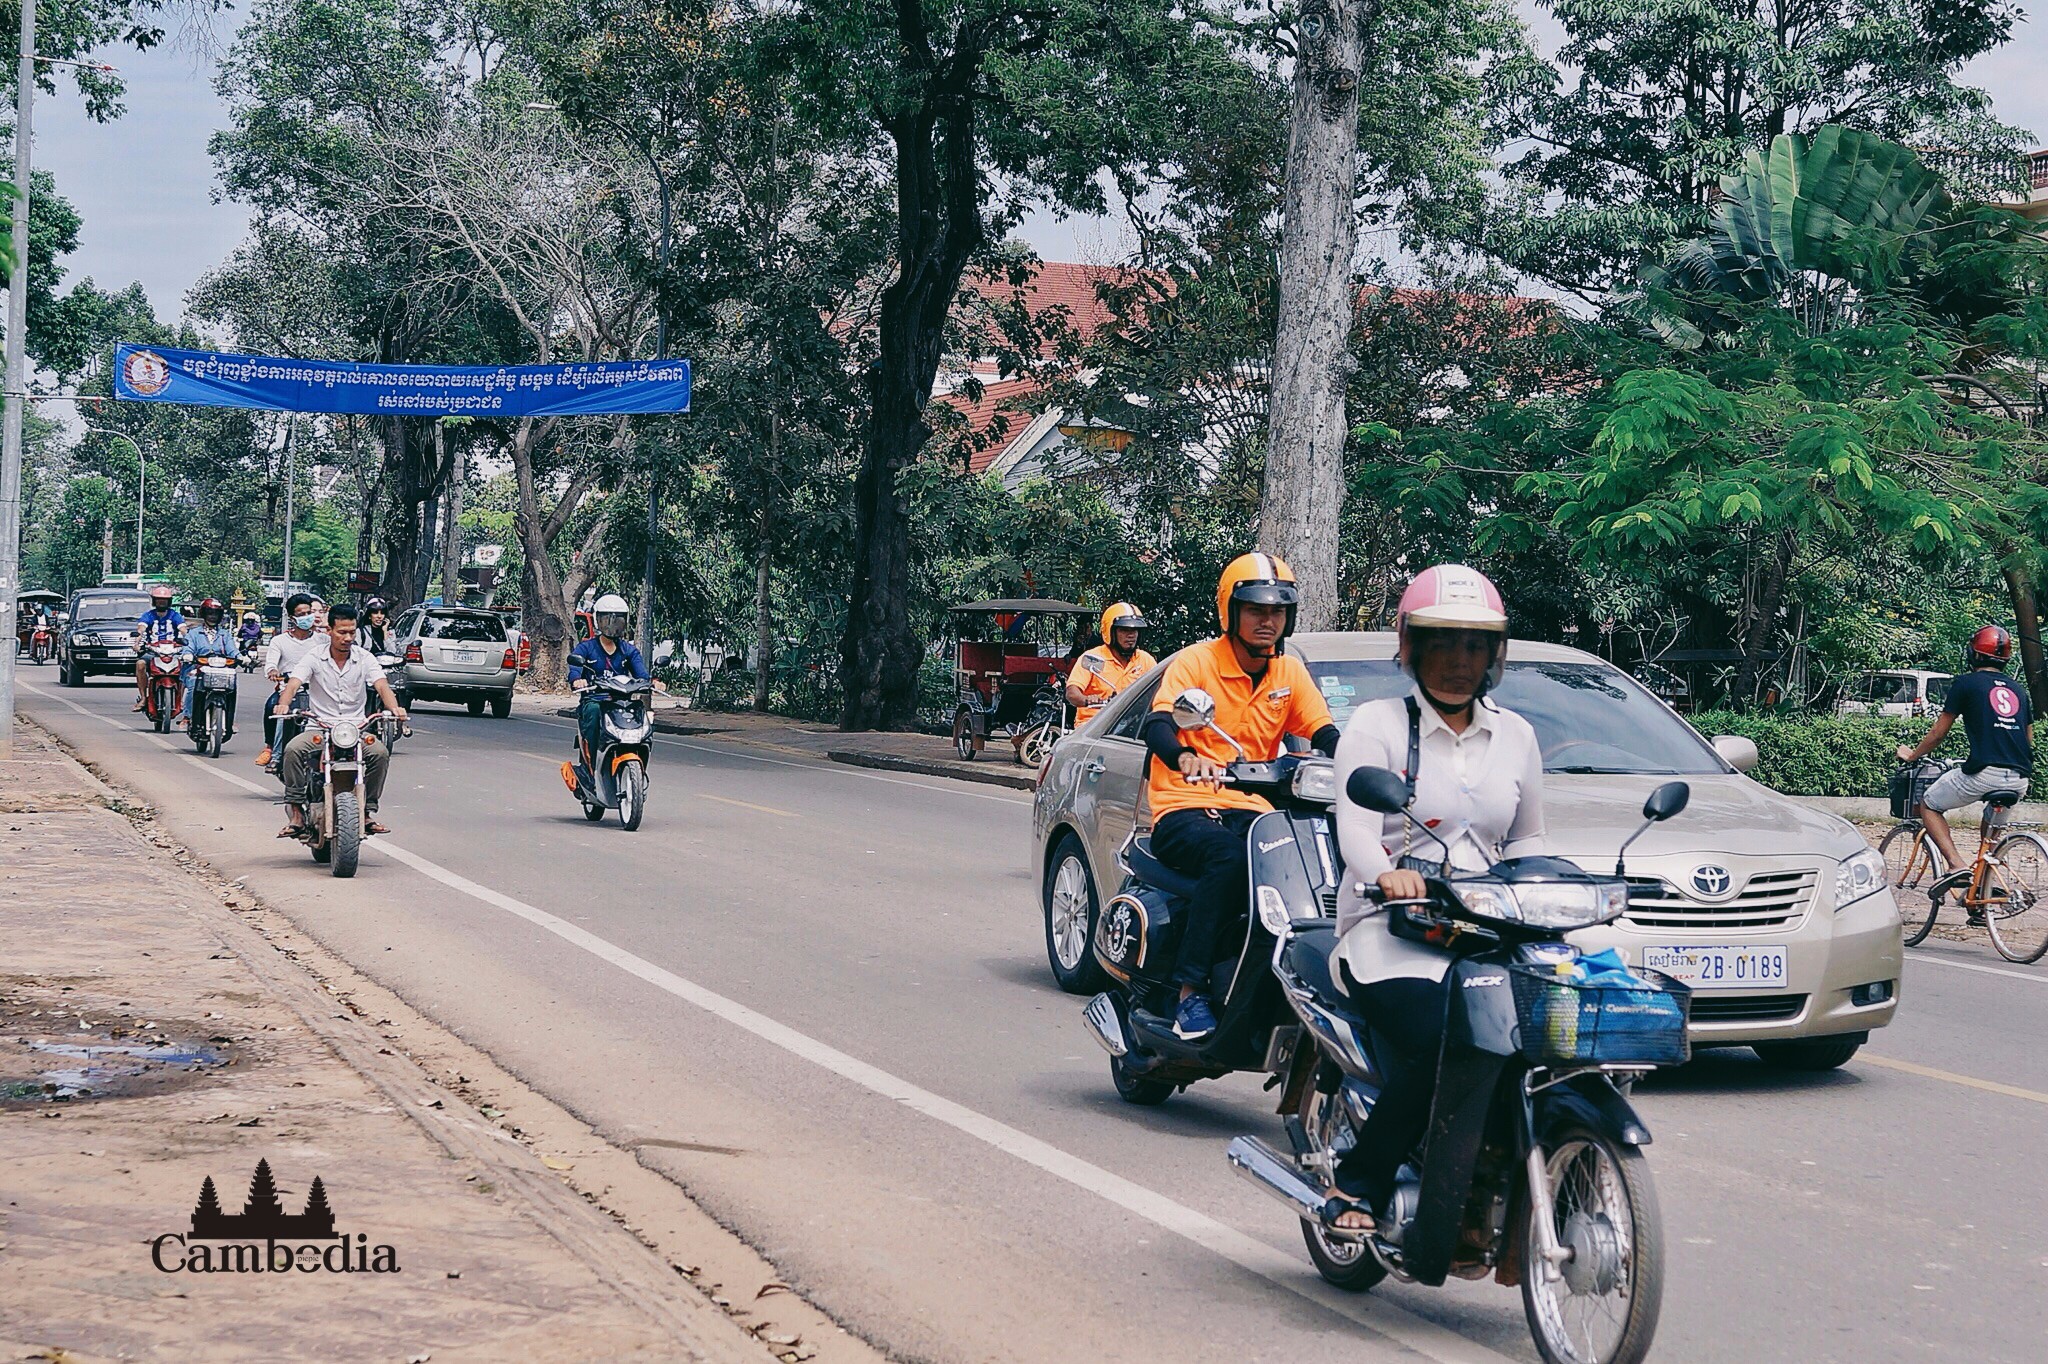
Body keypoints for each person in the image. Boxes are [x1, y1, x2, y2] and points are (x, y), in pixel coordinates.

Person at [1324, 563, 1545, 1234]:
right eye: (1442, 643)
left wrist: (1553, 886)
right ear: (1411, 647)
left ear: (1494, 656)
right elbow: (1355, 829)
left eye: (1474, 646)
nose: (1458, 661)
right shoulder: (1377, 725)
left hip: (1485, 935)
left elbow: (1528, 839)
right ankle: (1355, 1184)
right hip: (1387, 935)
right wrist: (1387, 874)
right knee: (1452, 1038)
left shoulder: (1517, 736)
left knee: (1563, 1023)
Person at [1139, 554, 1340, 1042]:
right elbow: (1158, 722)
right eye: (1254, 609)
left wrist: (1371, 764)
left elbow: (1324, 730)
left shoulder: (1288, 673)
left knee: (1320, 862)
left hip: (1253, 810)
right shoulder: (1198, 662)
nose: (1267, 620)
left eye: (1277, 611)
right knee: (1228, 860)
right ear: (1230, 610)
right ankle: (1191, 993)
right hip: (1184, 805)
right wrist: (1185, 758)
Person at [1897, 624, 2035, 913]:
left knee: (1929, 805)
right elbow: (2027, 737)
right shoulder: (2019, 690)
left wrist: (1912, 756)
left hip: (1984, 772)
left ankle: (1956, 866)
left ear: (1973, 654)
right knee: (1990, 828)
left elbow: (1938, 733)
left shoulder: (1966, 683)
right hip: (2019, 777)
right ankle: (1978, 894)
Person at [273, 602, 406, 838]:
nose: (347, 638)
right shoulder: (314, 656)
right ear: (329, 631)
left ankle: (366, 811)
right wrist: (284, 703)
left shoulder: (364, 657)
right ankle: (296, 811)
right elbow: (294, 682)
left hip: (355, 729)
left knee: (380, 753)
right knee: (293, 750)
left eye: (352, 632)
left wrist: (394, 709)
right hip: (319, 727)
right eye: (341, 632)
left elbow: (381, 684)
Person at [567, 594, 649, 780]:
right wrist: (577, 680)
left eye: (617, 620)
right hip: (594, 701)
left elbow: (642, 675)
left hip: (621, 703)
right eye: (606, 620)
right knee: (594, 713)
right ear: (597, 621)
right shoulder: (586, 648)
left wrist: (652, 682)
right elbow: (574, 670)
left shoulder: (628, 650)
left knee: (641, 716)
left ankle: (639, 762)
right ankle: (590, 766)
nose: (612, 625)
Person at [256, 594, 324, 770]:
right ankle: (273, 751)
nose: (306, 617)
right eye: (301, 614)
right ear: (292, 618)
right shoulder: (279, 641)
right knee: (273, 708)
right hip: (287, 690)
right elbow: (271, 663)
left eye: (308, 612)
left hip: (316, 691)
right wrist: (272, 671)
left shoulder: (322, 640)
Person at [1066, 602, 1157, 727]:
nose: (1130, 635)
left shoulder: (1145, 660)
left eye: (1135, 630)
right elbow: (1072, 693)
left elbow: (1160, 691)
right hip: (1092, 727)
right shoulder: (1092, 658)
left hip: (1132, 725)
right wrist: (1087, 700)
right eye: (1124, 630)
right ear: (1110, 632)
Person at [179, 598, 241, 738]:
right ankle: (188, 717)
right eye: (209, 613)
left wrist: (242, 658)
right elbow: (188, 647)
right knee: (193, 684)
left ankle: (229, 721)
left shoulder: (225, 634)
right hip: (199, 667)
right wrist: (188, 655)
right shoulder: (194, 633)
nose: (212, 616)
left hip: (220, 668)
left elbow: (232, 650)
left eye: (215, 613)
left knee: (232, 685)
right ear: (204, 614)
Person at [132, 585, 185, 711]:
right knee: (140, 664)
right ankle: (144, 698)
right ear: (154, 601)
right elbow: (141, 629)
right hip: (153, 651)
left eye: (164, 600)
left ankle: (181, 700)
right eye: (159, 599)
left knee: (185, 667)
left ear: (169, 602)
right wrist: (137, 642)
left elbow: (183, 629)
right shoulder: (148, 615)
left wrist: (187, 640)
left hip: (173, 652)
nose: (162, 602)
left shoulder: (175, 616)